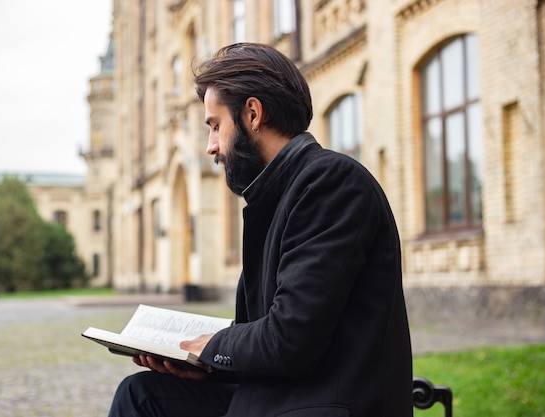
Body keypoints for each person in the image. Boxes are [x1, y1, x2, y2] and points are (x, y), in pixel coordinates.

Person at [108, 42, 413, 417]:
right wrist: (205, 365)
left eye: (216, 126)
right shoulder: (274, 198)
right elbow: (269, 339)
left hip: (318, 406)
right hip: (276, 398)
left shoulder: (331, 183)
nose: (211, 146)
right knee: (142, 395)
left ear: (253, 113)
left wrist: (213, 346)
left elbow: (290, 338)